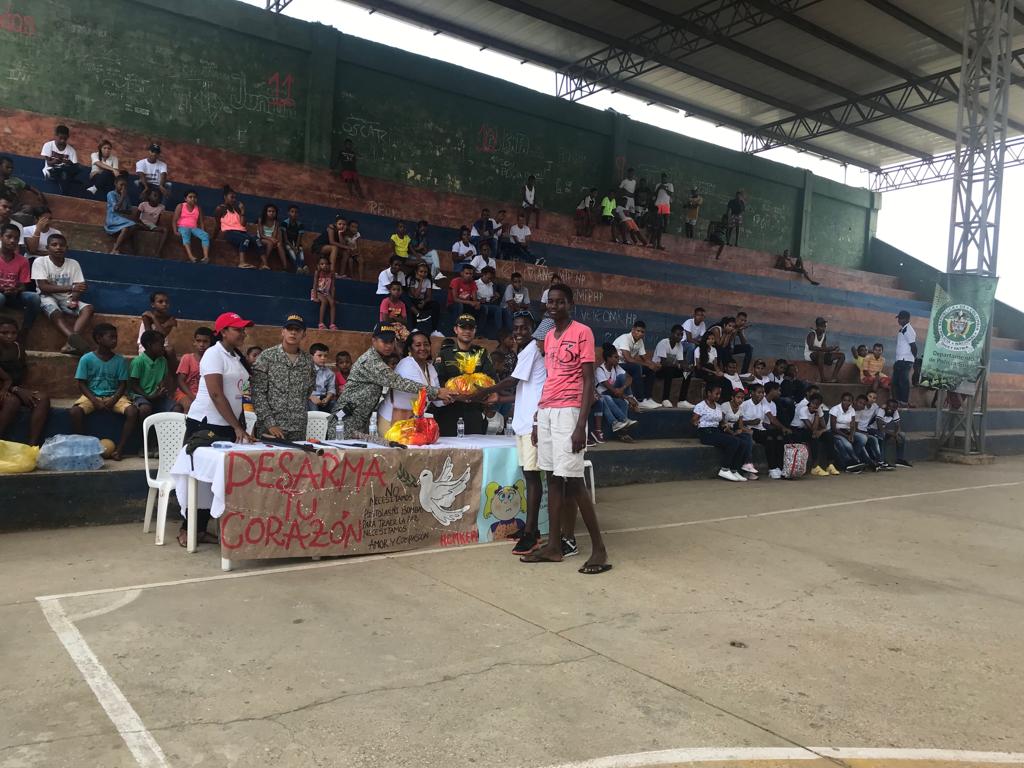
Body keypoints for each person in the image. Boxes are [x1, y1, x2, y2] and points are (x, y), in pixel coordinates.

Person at [520, 284, 609, 574]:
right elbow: (550, 378)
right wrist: (537, 417)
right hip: (547, 410)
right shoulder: (548, 337)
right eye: (550, 302)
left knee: (574, 480)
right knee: (552, 479)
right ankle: (554, 546)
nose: (554, 306)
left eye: (560, 302)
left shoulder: (582, 332)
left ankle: (599, 549)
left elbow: (588, 381)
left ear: (570, 304)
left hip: (570, 411)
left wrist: (581, 425)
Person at [182, 312, 256, 546]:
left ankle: (203, 529)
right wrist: (237, 427)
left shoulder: (236, 356)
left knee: (218, 478)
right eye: (238, 329)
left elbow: (239, 394)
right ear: (223, 331)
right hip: (206, 423)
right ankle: (187, 529)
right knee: (200, 478)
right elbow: (216, 394)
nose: (243, 333)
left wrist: (242, 426)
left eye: (243, 329)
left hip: (228, 424)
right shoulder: (213, 355)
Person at [327, 322, 454, 436]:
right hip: (345, 421)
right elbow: (399, 383)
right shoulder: (371, 361)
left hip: (359, 421)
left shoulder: (380, 358)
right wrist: (437, 392)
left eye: (391, 342)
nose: (388, 346)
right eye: (384, 342)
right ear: (374, 340)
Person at [69, 323, 138, 461]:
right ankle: (85, 448)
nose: (115, 340)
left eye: (116, 337)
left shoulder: (120, 360)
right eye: (111, 337)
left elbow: (123, 385)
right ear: (99, 338)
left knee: (132, 412)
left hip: (114, 396)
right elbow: (81, 384)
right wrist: (94, 401)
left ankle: (119, 449)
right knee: (75, 412)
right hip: (92, 396)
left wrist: (113, 400)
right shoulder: (86, 359)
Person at [249, 315, 316, 440]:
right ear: (283, 332)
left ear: (303, 334)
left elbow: (308, 389)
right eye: (290, 329)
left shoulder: (308, 361)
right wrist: (270, 423)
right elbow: (257, 393)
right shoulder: (267, 357)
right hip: (271, 427)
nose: (293, 332)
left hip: (298, 427)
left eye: (297, 330)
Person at [31, 234, 93, 355]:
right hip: (46, 297)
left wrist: (74, 299)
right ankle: (76, 341)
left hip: (67, 298)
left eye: (62, 245)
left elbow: (79, 286)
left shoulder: (73, 263)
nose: (58, 247)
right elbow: (43, 287)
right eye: (54, 245)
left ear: (67, 248)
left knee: (88, 308)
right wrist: (71, 287)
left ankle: (71, 344)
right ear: (47, 248)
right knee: (56, 312)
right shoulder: (40, 262)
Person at [435, 314, 496, 436]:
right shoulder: (444, 354)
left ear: (475, 330)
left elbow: (490, 378)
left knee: (475, 446)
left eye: (471, 328)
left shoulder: (482, 353)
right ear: (455, 329)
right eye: (463, 327)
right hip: (449, 411)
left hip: (474, 410)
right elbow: (438, 382)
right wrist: (457, 396)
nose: (467, 331)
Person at [379, 329, 443, 435]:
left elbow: (438, 401)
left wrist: (453, 395)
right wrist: (443, 393)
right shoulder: (406, 364)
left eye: (426, 344)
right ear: (409, 348)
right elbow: (422, 393)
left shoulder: (430, 367)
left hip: (411, 421)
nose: (423, 348)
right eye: (418, 345)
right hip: (391, 419)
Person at [0, 317, 50, 445]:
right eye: (4, 333)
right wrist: (15, 390)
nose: (9, 336)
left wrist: (21, 389)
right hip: (3, 388)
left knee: (42, 399)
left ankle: (32, 444)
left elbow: (23, 370)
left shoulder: (18, 348)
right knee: (12, 402)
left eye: (13, 333)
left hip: (14, 387)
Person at [691, 384, 746, 482]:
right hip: (706, 432)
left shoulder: (718, 406)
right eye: (716, 394)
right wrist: (696, 423)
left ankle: (734, 470)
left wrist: (730, 431)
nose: (718, 396)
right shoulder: (701, 406)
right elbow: (693, 420)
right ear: (709, 393)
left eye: (719, 394)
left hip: (716, 431)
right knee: (733, 442)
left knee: (741, 442)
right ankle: (724, 469)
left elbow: (722, 423)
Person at [0, 223, 39, 341]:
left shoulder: (23, 261)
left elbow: (23, 285)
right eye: (9, 237)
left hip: (13, 295)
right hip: (1, 295)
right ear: (1, 237)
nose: (13, 241)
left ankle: (24, 332)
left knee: (34, 298)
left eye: (16, 238)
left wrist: (16, 290)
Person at [743, 382, 790, 479]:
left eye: (762, 393)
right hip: (750, 431)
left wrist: (782, 428)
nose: (761, 395)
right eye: (759, 392)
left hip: (761, 430)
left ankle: (778, 467)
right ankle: (772, 468)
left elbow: (772, 418)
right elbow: (739, 421)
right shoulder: (745, 404)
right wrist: (751, 422)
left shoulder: (763, 405)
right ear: (752, 393)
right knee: (772, 436)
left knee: (776, 438)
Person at [129, 330, 179, 418]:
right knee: (145, 409)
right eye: (161, 345)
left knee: (177, 408)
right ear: (149, 345)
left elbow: (162, 380)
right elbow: (133, 385)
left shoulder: (162, 361)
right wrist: (149, 397)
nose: (163, 348)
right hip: (141, 395)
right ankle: (142, 427)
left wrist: (161, 390)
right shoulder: (138, 362)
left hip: (157, 395)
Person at [594, 343, 638, 442]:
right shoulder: (600, 370)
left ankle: (622, 431)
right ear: (608, 358)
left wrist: (623, 388)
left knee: (623, 403)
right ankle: (623, 421)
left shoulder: (616, 367)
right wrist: (627, 398)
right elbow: (611, 389)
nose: (618, 359)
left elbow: (629, 378)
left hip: (613, 394)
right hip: (602, 396)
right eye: (615, 357)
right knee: (608, 398)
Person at [613, 320, 661, 410]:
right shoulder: (625, 338)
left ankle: (647, 398)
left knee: (650, 370)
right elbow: (628, 359)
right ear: (633, 330)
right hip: (617, 365)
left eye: (642, 332)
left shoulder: (640, 341)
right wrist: (647, 365)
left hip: (628, 365)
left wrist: (654, 365)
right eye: (638, 331)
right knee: (636, 367)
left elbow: (645, 359)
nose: (640, 334)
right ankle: (640, 400)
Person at [790, 391, 836, 477]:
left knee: (829, 436)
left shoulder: (819, 409)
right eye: (813, 403)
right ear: (809, 402)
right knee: (813, 437)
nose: (815, 406)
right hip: (797, 430)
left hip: (810, 430)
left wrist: (820, 432)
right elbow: (812, 428)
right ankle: (815, 467)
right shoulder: (803, 410)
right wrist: (816, 415)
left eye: (817, 404)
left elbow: (824, 426)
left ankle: (830, 464)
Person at [213, 186, 257, 269]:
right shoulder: (220, 209)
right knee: (245, 239)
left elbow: (243, 224)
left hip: (241, 232)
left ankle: (264, 264)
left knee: (257, 240)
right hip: (229, 233)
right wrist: (213, 238)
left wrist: (242, 211)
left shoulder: (237, 209)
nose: (234, 200)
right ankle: (242, 262)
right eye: (232, 197)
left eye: (235, 198)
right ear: (225, 197)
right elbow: (218, 225)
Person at [829, 392, 871, 472]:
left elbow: (852, 425)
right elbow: (833, 428)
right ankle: (856, 461)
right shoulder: (835, 409)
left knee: (863, 438)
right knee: (848, 445)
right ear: (841, 400)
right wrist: (847, 437)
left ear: (852, 402)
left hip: (847, 431)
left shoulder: (851, 410)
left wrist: (851, 435)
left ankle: (853, 462)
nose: (846, 402)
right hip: (836, 432)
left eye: (849, 401)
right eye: (844, 400)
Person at [174, 326, 213, 412]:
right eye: (198, 341)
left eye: (205, 341)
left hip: (204, 395)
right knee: (189, 406)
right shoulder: (187, 358)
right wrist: (193, 397)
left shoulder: (213, 361)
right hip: (186, 393)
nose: (201, 344)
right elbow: (180, 381)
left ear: (211, 343)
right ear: (194, 342)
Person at [719, 388, 757, 476]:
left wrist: (747, 431)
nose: (740, 400)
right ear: (732, 397)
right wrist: (733, 433)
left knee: (747, 436)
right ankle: (746, 465)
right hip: (724, 429)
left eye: (742, 398)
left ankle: (747, 464)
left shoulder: (741, 408)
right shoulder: (725, 405)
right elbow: (721, 422)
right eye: (738, 397)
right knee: (743, 440)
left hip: (733, 429)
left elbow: (740, 425)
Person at [651, 324, 689, 407]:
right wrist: (678, 365)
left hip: (671, 369)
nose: (680, 337)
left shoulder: (680, 345)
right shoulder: (663, 343)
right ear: (672, 334)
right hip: (658, 370)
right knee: (669, 369)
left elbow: (681, 361)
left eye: (681, 335)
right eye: (678, 334)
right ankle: (665, 399)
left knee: (687, 373)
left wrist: (686, 367)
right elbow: (663, 362)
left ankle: (681, 401)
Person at [138, 291, 177, 369]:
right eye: (160, 302)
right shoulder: (147, 317)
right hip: (147, 345)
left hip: (162, 346)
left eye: (166, 302)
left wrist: (153, 318)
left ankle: (173, 375)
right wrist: (165, 324)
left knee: (170, 350)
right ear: (153, 304)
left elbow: (162, 335)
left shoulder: (170, 318)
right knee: (154, 350)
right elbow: (150, 337)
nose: (164, 304)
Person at [1, 155, 47, 221]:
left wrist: (39, 193)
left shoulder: (16, 180)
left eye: (12, 168)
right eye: (7, 167)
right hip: (3, 205)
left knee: (28, 208)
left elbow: (29, 187)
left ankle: (12, 217)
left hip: (14, 205)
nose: (10, 169)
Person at [40, 124, 82, 193]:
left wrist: (69, 163)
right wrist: (55, 161)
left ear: (68, 137)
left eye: (65, 139)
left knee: (78, 167)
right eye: (61, 138)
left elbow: (74, 166)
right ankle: (66, 182)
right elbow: (48, 163)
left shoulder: (71, 150)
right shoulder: (48, 145)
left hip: (65, 170)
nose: (62, 140)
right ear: (55, 136)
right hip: (52, 170)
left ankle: (66, 179)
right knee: (63, 173)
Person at [172, 190, 210, 264]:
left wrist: (202, 231)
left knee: (205, 235)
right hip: (182, 227)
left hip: (194, 228)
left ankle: (206, 257)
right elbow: (174, 220)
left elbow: (201, 222)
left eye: (194, 197)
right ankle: (191, 256)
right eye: (190, 197)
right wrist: (175, 231)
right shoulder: (180, 206)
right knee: (186, 232)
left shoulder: (198, 208)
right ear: (185, 199)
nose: (193, 199)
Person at [804, 316, 845, 382]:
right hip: (810, 355)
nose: (824, 329)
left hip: (820, 356)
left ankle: (834, 378)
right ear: (817, 326)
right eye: (822, 327)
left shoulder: (824, 335)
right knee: (821, 354)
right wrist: (826, 349)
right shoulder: (812, 334)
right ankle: (822, 378)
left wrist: (832, 350)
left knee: (841, 355)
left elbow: (824, 348)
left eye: (825, 327)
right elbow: (811, 347)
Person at [853, 393, 888, 469]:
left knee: (877, 437)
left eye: (874, 398)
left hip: (865, 430)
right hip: (858, 431)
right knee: (863, 440)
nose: (871, 399)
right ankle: (868, 462)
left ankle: (879, 461)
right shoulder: (859, 409)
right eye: (870, 396)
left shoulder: (874, 407)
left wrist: (884, 407)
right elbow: (855, 428)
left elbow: (880, 413)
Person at [406, 262, 441, 337]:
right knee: (412, 305)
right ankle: (414, 329)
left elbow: (429, 296)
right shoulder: (411, 279)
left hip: (422, 301)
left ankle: (434, 330)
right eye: (421, 271)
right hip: (412, 301)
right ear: (416, 271)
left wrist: (424, 302)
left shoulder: (428, 280)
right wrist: (421, 282)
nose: (423, 274)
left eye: (425, 272)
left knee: (435, 305)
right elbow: (415, 296)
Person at [105, 175, 137, 255]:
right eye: (121, 185)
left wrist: (122, 210)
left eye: (125, 185)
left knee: (134, 226)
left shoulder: (126, 197)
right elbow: (116, 208)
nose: (123, 187)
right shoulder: (111, 194)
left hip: (122, 219)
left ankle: (118, 243)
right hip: (113, 218)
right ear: (115, 184)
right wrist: (122, 197)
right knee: (126, 227)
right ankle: (115, 249)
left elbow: (129, 211)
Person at [893, 310, 917, 408]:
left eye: (900, 318)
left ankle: (904, 402)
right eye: (898, 318)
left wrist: (913, 359)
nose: (898, 320)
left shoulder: (908, 330)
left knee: (903, 382)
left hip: (905, 360)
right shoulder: (903, 329)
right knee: (896, 382)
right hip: (900, 359)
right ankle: (898, 401)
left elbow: (913, 346)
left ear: (907, 319)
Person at [878, 398, 911, 467]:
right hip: (874, 430)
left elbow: (898, 425)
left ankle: (899, 459)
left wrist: (896, 434)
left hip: (885, 430)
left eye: (894, 407)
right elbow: (880, 428)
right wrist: (894, 435)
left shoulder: (895, 411)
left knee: (902, 435)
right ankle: (882, 461)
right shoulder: (881, 410)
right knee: (883, 435)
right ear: (886, 406)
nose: (891, 409)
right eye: (890, 406)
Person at [136, 188, 168, 257]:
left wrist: (155, 227)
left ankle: (158, 252)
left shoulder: (162, 207)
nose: (157, 197)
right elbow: (136, 218)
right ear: (149, 196)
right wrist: (142, 225)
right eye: (155, 195)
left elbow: (159, 219)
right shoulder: (143, 204)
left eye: (159, 196)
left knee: (165, 230)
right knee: (133, 226)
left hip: (152, 226)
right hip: (142, 224)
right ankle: (134, 249)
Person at [307, 342, 337, 413]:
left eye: (325, 356)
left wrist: (327, 398)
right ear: (311, 356)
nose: (323, 358)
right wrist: (311, 397)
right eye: (319, 355)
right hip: (309, 398)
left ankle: (335, 420)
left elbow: (331, 388)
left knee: (336, 405)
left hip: (323, 398)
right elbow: (299, 388)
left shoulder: (329, 373)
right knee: (314, 408)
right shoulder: (305, 370)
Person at [255, 204, 286, 270]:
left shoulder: (276, 222)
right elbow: (261, 235)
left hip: (271, 239)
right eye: (269, 211)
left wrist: (274, 240)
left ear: (276, 213)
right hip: (261, 239)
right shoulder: (261, 220)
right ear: (266, 212)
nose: (271, 213)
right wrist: (271, 239)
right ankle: (263, 263)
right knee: (270, 243)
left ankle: (285, 266)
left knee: (279, 244)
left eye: (273, 211)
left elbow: (274, 234)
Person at [475, 266, 503, 338]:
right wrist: (479, 300)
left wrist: (495, 297)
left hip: (489, 304)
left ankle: (498, 332)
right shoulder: (476, 283)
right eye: (488, 278)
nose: (490, 280)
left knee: (498, 309)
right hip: (479, 304)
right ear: (483, 275)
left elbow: (491, 296)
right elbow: (472, 298)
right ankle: (479, 332)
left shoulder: (491, 284)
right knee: (485, 309)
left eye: (491, 278)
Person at [310, 255, 337, 330]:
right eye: (322, 264)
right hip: (317, 292)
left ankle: (332, 324)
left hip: (326, 292)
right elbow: (315, 285)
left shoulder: (332, 273)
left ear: (329, 265)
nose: (324, 266)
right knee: (324, 301)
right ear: (318, 265)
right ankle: (321, 323)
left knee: (332, 302)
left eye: (326, 264)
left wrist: (333, 297)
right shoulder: (317, 273)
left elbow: (332, 287)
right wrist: (315, 297)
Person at [281, 205, 306, 273]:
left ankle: (303, 266)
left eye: (296, 212)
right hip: (287, 243)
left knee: (300, 249)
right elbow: (285, 239)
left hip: (296, 244)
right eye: (292, 212)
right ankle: (298, 267)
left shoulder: (300, 225)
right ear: (288, 213)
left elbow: (299, 238)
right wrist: (293, 248)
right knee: (290, 250)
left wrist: (296, 247)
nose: (294, 214)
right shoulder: (284, 223)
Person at [652, 173, 673, 249]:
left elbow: (671, 194)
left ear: (667, 178)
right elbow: (654, 194)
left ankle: (657, 243)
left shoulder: (670, 185)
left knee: (662, 224)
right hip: (658, 205)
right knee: (657, 225)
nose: (664, 179)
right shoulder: (658, 185)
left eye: (665, 178)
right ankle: (654, 243)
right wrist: (659, 187)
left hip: (666, 205)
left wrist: (665, 188)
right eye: (662, 178)